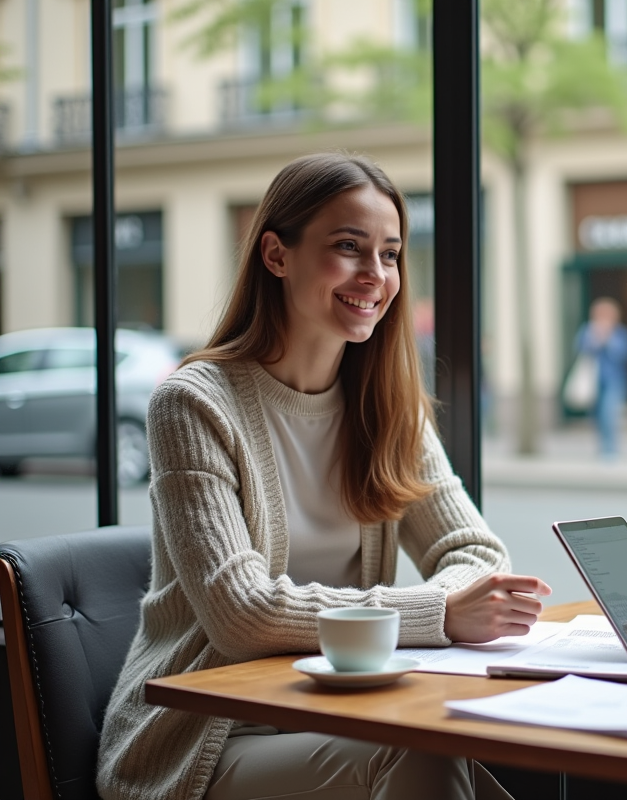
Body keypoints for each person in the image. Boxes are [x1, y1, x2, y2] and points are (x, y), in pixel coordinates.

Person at [96, 153, 551, 800]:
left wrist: (454, 602)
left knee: (485, 755)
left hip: (342, 713)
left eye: (390, 254)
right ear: (276, 256)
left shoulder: (386, 404)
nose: (376, 275)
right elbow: (244, 615)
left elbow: (475, 552)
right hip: (204, 741)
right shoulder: (195, 403)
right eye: (348, 247)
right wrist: (440, 612)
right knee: (421, 757)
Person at [574, 297, 627, 458]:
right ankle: (601, 447)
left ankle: (610, 449)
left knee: (609, 414)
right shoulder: (588, 330)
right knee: (596, 416)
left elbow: (624, 354)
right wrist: (595, 338)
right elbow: (580, 349)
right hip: (594, 382)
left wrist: (608, 339)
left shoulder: (620, 333)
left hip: (614, 381)